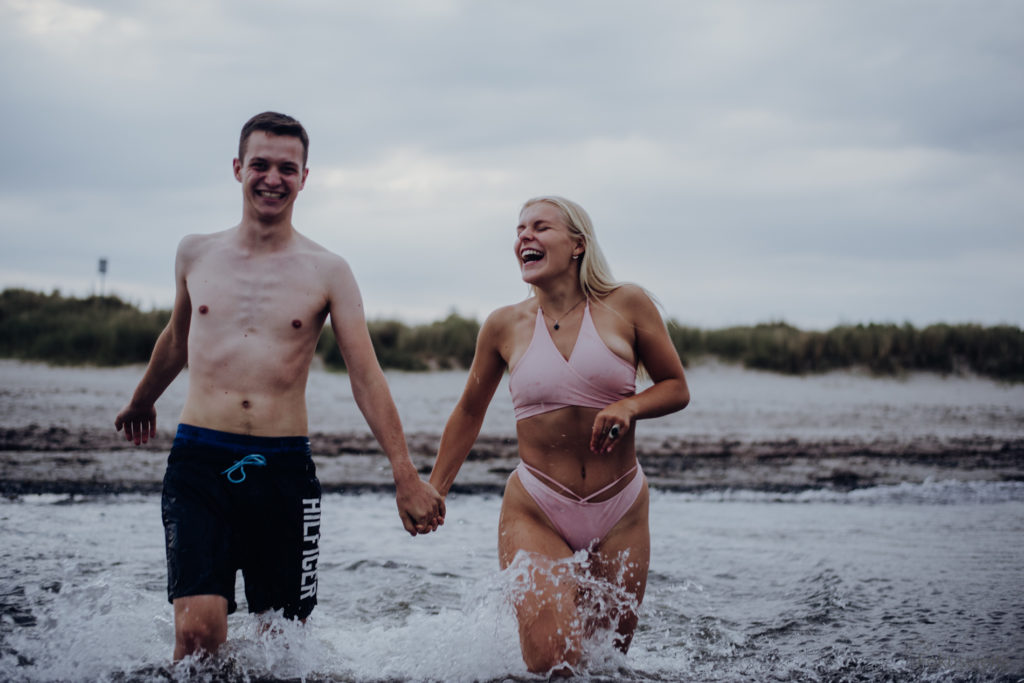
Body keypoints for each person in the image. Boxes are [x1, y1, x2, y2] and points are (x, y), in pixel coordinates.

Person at [114, 111, 444, 661]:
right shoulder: (195, 252)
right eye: (260, 165)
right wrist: (142, 398)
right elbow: (177, 338)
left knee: (283, 651)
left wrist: (404, 473)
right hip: (200, 461)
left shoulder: (328, 270)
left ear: (305, 177)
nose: (272, 178)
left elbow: (366, 373)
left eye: (286, 168)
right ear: (238, 168)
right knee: (197, 639)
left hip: (283, 470)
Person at [428, 196, 689, 674]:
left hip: (621, 509)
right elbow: (469, 410)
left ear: (577, 246)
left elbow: (676, 387)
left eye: (540, 227)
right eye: (520, 229)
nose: (524, 236)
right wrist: (435, 489)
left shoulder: (627, 304)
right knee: (555, 665)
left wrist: (630, 405)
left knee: (602, 665)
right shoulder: (503, 325)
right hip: (538, 505)